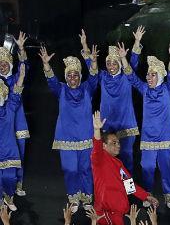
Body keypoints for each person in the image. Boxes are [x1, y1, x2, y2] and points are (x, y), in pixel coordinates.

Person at [40, 45, 100, 212]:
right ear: (66, 77)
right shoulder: (61, 89)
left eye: (75, 75)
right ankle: (73, 198)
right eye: (69, 75)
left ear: (80, 76)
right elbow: (51, 80)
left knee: (86, 169)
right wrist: (46, 64)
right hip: (66, 137)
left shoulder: (87, 88)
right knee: (70, 169)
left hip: (86, 136)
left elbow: (94, 77)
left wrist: (93, 62)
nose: (72, 78)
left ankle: (87, 197)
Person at [124, 42, 170, 209]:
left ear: (160, 76)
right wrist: (123, 58)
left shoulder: (167, 89)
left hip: (166, 136)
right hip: (149, 136)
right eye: (148, 75)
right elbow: (131, 77)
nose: (148, 77)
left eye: (152, 75)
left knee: (166, 167)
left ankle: (169, 196)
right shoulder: (145, 89)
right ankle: (147, 195)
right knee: (147, 167)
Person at [91, 111, 158, 225]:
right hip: (106, 215)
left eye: (118, 142)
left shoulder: (118, 163)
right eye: (114, 143)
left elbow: (129, 185)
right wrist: (96, 130)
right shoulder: (99, 159)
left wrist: (146, 196)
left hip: (118, 216)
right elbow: (97, 146)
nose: (118, 145)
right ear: (104, 146)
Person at [87, 28, 142, 171]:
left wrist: (137, 41)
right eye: (108, 63)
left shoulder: (127, 76)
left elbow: (133, 61)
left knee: (127, 158)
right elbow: (92, 69)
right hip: (107, 123)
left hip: (126, 124)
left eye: (114, 63)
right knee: (107, 158)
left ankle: (128, 185)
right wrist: (87, 50)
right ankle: (111, 184)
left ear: (119, 63)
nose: (111, 66)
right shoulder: (103, 76)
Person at [0, 32, 29, 196]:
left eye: (5, 64)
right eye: (0, 64)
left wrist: (21, 48)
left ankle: (18, 183)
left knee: (19, 154)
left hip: (18, 121)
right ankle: (4, 185)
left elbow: (24, 65)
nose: (2, 66)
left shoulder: (17, 76)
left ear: (10, 64)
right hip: (3, 124)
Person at [0, 63, 24, 210]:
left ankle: (9, 196)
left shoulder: (10, 108)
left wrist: (21, 77)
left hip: (9, 150)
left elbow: (16, 94)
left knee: (9, 177)